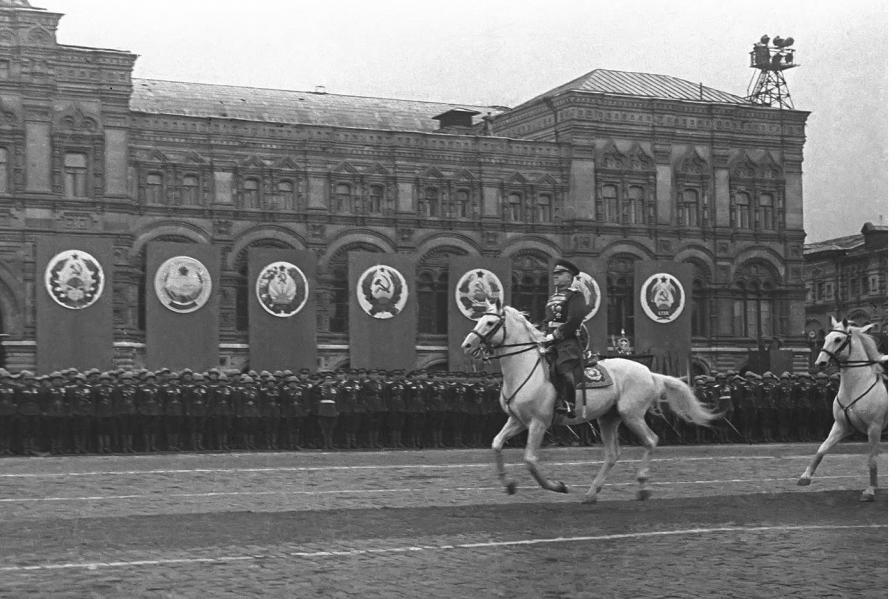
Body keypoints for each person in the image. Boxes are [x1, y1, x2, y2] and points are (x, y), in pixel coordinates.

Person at [542, 259, 588, 418]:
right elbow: (547, 320)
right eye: (554, 273)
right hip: (550, 341)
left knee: (563, 367)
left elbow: (575, 320)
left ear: (569, 276)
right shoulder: (552, 298)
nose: (555, 276)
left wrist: (555, 335)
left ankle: (569, 404)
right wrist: (542, 334)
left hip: (568, 342)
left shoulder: (576, 296)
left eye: (560, 273)